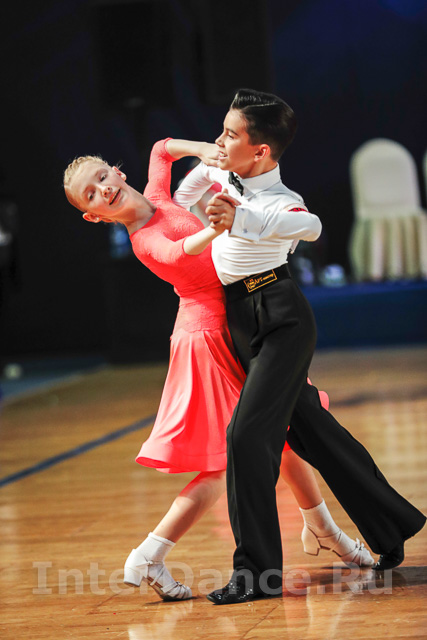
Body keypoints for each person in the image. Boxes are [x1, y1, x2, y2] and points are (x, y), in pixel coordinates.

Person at [63, 138, 374, 602]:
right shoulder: (143, 240)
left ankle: (323, 528)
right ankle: (150, 552)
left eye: (102, 177)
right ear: (93, 216)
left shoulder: (159, 195)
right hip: (208, 338)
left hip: (234, 324)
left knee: (283, 430)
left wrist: (205, 151)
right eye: (91, 194)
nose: (103, 189)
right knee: (229, 460)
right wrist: (219, 226)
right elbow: (179, 253)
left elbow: (161, 149)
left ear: (117, 172)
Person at [173, 88, 426, 605]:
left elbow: (309, 226)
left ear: (261, 150)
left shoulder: (281, 200)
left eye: (230, 134)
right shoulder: (225, 175)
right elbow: (181, 199)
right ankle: (392, 526)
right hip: (241, 320)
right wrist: (205, 157)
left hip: (280, 317)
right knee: (315, 434)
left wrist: (238, 218)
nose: (221, 140)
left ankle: (256, 574)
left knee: (246, 435)